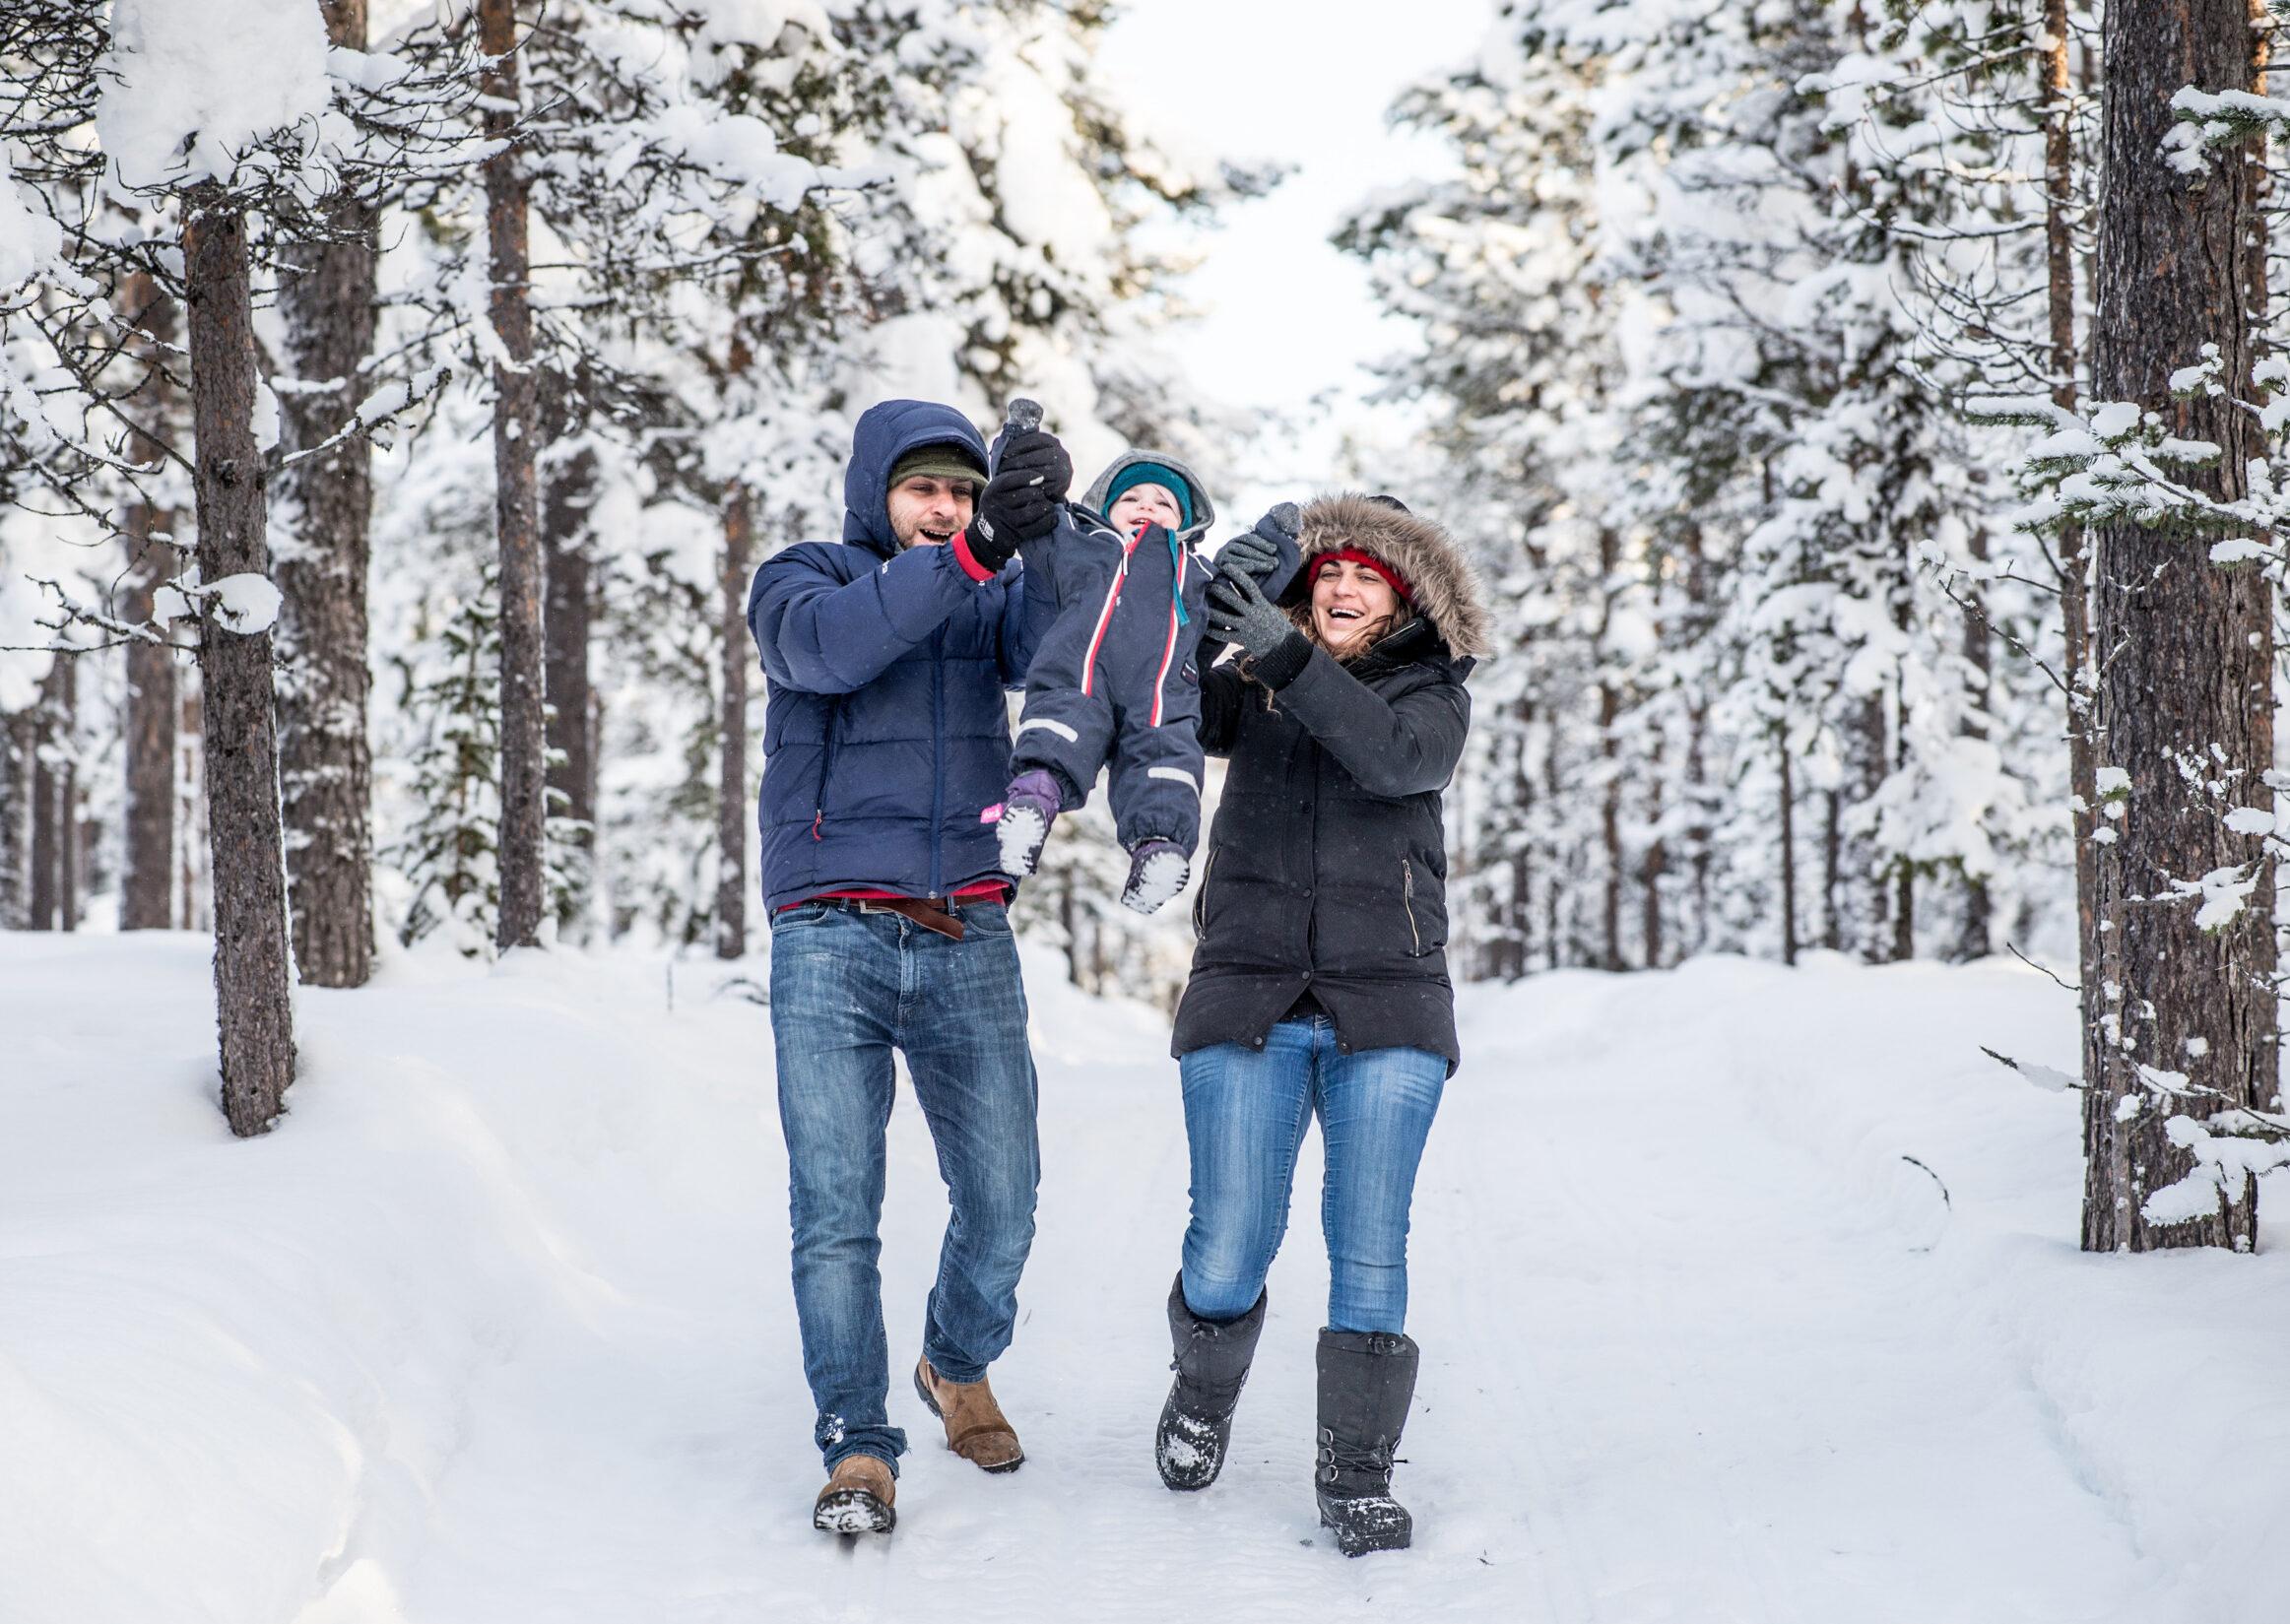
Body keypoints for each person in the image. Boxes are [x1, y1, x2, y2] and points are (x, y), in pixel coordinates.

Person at [747, 397, 1071, 1536]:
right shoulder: (803, 577)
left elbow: (1069, 636)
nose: (947, 509)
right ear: (876, 488)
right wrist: (981, 550)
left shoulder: (991, 582)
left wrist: (1057, 515)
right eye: (926, 488)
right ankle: (857, 1443)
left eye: (966, 491)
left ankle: (954, 1357)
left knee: (1006, 1193)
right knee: (836, 1207)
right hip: (828, 927)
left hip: (963, 922)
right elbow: (831, 651)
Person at [1149, 492, 1489, 1557]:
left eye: (1368, 575)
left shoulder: (1430, 690)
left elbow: (1396, 760)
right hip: (1248, 982)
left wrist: (1282, 656)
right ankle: (1202, 1394)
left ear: (1406, 595)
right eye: (1327, 571)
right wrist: (1203, 610)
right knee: (1230, 1233)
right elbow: (1168, 705)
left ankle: (1355, 1472)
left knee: (1369, 1242)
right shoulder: (1250, 677)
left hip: (1388, 996)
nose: (1341, 588)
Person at [994, 425, 1221, 915]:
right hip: (1081, 676)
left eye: (1163, 503)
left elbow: (1249, 585)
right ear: (1106, 508)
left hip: (1159, 693)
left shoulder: (1196, 573)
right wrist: (1017, 450)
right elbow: (1031, 511)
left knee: (1164, 759)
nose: (1146, 507)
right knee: (1060, 733)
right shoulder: (1080, 543)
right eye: (1132, 498)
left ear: (1184, 522)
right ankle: (1030, 807)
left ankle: (1159, 852)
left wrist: (1278, 543)